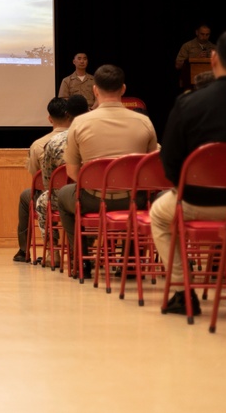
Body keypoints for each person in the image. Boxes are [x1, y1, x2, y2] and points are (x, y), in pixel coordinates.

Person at [150, 27, 226, 316]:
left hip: (197, 202)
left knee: (158, 216)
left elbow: (169, 163)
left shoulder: (187, 104)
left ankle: (183, 292)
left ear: (214, 59)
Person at [55, 65, 158, 276]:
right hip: (133, 200)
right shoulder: (144, 122)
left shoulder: (80, 123)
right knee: (151, 196)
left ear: (94, 90)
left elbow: (73, 172)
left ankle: (81, 260)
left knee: (64, 195)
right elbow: (150, 169)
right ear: (123, 89)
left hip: (92, 198)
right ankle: (129, 262)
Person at [13, 97, 71, 263]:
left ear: (50, 118)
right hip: (79, 194)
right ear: (70, 116)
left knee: (26, 196)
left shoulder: (38, 144)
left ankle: (24, 250)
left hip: (50, 197)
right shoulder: (81, 140)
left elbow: (35, 176)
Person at [34, 95, 90, 256]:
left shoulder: (54, 142)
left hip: (66, 197)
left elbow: (47, 180)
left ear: (68, 115)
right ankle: (93, 252)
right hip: (100, 194)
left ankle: (54, 252)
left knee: (42, 203)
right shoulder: (99, 137)